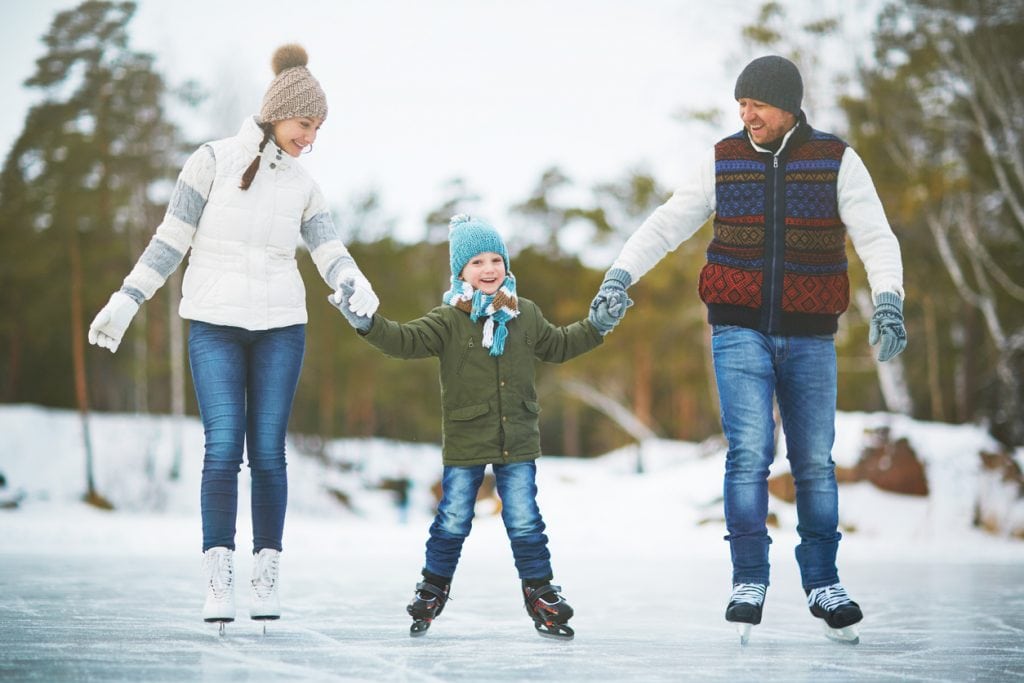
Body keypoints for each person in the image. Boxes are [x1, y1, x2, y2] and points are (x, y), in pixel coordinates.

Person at [589, 55, 907, 642]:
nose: (746, 114)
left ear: (787, 105)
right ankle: (748, 578)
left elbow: (874, 233)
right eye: (741, 104)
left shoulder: (836, 160)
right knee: (750, 450)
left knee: (813, 460)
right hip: (737, 327)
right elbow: (666, 222)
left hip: (811, 333)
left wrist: (888, 298)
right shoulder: (724, 159)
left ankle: (822, 582)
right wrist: (618, 276)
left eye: (756, 104)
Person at [87, 45, 379, 630]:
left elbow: (328, 247)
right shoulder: (211, 162)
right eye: (306, 125)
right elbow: (169, 239)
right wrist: (129, 297)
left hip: (281, 329)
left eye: (319, 129)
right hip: (215, 325)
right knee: (223, 448)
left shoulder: (303, 184)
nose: (312, 139)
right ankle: (218, 576)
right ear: (278, 112)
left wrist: (354, 281)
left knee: (268, 452)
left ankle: (265, 572)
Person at [332, 214, 614, 640]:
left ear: (506, 266)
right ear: (460, 271)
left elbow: (558, 345)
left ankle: (540, 591)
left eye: (496, 259)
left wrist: (597, 326)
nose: (488, 269)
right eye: (477, 262)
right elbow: (403, 340)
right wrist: (366, 323)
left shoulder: (524, 314)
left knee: (524, 519)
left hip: (517, 436)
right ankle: (432, 587)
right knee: (454, 517)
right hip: (466, 437)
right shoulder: (447, 320)